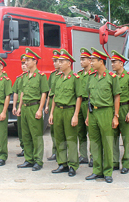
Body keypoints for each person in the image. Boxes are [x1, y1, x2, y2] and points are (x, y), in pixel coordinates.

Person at [85, 48, 121, 183]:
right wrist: (88, 116)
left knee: (107, 142)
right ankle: (97, 171)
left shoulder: (112, 77)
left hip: (106, 111)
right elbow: (89, 97)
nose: (91, 63)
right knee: (95, 142)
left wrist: (115, 116)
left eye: (93, 60)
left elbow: (117, 97)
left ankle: (108, 172)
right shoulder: (91, 77)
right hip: (93, 112)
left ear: (101, 61)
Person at [49, 49, 83, 177]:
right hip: (58, 110)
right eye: (59, 61)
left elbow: (79, 97)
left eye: (62, 61)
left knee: (71, 139)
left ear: (69, 63)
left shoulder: (75, 78)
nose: (60, 63)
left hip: (69, 110)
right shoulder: (57, 78)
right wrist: (51, 113)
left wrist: (75, 115)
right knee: (59, 138)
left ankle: (73, 165)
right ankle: (62, 163)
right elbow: (54, 96)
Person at [17, 48, 49, 171]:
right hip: (25, 107)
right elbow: (22, 93)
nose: (25, 62)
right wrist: (19, 107)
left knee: (36, 135)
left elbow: (43, 94)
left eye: (28, 60)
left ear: (35, 61)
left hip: (34, 107)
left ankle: (38, 161)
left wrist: (40, 109)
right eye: (25, 60)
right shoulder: (24, 76)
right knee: (26, 135)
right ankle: (28, 159)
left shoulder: (40, 76)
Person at [111, 50, 129, 174]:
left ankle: (126, 163)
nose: (112, 64)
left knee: (126, 138)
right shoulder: (112, 77)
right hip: (113, 109)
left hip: (125, 108)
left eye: (114, 62)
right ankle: (114, 162)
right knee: (113, 137)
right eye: (111, 62)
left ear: (121, 63)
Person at [77, 47, 93, 167]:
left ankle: (93, 156)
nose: (81, 61)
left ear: (89, 60)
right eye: (81, 59)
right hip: (80, 103)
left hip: (90, 104)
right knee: (80, 131)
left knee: (91, 132)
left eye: (84, 59)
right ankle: (83, 155)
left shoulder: (93, 74)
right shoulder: (79, 75)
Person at [45, 49, 61, 161]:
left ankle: (62, 153)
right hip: (52, 104)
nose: (54, 63)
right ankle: (55, 152)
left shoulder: (65, 75)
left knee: (61, 130)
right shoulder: (53, 75)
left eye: (57, 61)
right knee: (53, 130)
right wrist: (46, 105)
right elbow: (50, 91)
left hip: (60, 105)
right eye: (54, 61)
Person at [12, 54, 28, 157]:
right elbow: (16, 93)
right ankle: (23, 148)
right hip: (19, 107)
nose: (23, 65)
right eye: (22, 63)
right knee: (21, 129)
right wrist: (14, 106)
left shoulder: (33, 77)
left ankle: (29, 149)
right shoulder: (19, 78)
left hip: (27, 106)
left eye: (25, 63)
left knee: (28, 130)